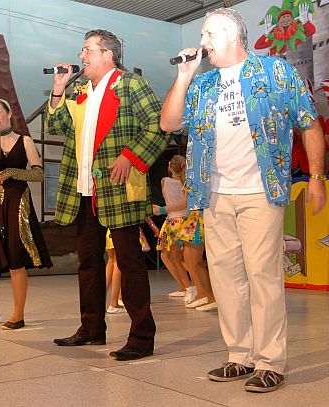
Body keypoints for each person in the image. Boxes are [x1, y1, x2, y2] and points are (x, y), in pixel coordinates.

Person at [160, 8, 326, 392]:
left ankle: (270, 362)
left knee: (263, 277)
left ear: (234, 35)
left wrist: (317, 178)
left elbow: (309, 122)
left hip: (260, 191)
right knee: (225, 278)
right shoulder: (203, 83)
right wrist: (184, 76)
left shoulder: (275, 71)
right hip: (214, 195)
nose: (203, 41)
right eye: (203, 33)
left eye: (210, 33)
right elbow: (169, 123)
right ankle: (239, 355)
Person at [46, 29, 169, 361]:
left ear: (108, 55)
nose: (81, 55)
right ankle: (91, 328)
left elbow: (158, 126)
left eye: (87, 50)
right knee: (88, 263)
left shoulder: (131, 85)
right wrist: (58, 88)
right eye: (83, 50)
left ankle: (141, 337)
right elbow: (55, 126)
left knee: (129, 263)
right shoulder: (81, 91)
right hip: (85, 190)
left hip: (118, 189)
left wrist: (131, 156)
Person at [0, 99, 52, 330]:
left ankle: (18, 314)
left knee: (17, 259)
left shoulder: (24, 140)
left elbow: (38, 174)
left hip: (18, 204)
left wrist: (13, 172)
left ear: (8, 114)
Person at [153, 154, 215, 310]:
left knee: (193, 261)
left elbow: (186, 202)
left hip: (196, 219)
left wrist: (162, 209)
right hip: (190, 220)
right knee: (188, 260)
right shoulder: (189, 179)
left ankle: (209, 297)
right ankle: (202, 295)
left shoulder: (193, 178)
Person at [106, 228, 150, 314]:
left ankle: (111, 300)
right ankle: (114, 303)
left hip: (110, 230)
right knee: (118, 262)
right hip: (123, 230)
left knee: (111, 261)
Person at [291, 79, 324, 176]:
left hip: (307, 164)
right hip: (292, 164)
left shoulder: (318, 120)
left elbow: (317, 140)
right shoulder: (290, 120)